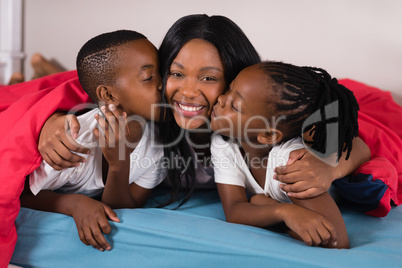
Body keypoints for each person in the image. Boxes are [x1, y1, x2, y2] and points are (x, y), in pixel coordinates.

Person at [37, 14, 369, 206]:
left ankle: (42, 68)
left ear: (236, 78)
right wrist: (48, 121)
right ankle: (43, 69)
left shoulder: (256, 122)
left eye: (209, 77)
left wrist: (329, 165)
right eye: (176, 73)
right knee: (55, 87)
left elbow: (353, 138)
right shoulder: (153, 116)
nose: (188, 91)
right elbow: (99, 99)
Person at [20, 29, 165, 252]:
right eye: (148, 77)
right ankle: (22, 79)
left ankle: (35, 70)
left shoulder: (156, 147)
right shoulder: (75, 141)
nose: (163, 84)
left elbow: (124, 207)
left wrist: (119, 164)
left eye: (163, 72)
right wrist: (73, 204)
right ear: (108, 96)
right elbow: (22, 193)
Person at [210, 61, 358, 248]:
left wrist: (266, 207)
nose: (221, 99)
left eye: (235, 106)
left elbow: (336, 242)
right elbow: (234, 210)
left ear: (268, 135)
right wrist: (283, 212)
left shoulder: (289, 162)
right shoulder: (224, 143)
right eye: (229, 89)